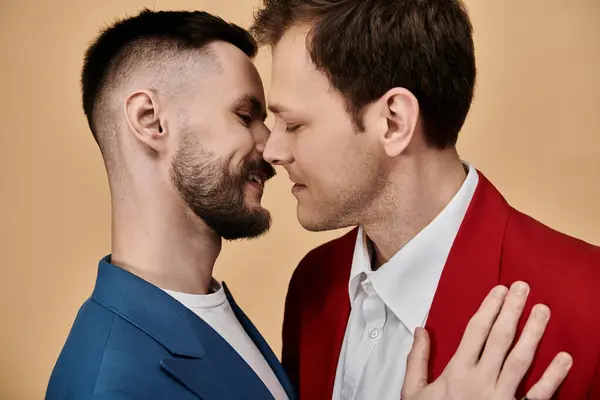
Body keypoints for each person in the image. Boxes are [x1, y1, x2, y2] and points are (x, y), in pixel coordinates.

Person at [250, 0, 600, 399]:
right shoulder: (313, 286)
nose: (272, 150)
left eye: (293, 124)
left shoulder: (589, 304)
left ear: (394, 121)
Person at [46, 10, 294, 400]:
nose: (275, 149)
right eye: (246, 117)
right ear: (149, 119)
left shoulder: (207, 311)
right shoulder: (113, 386)